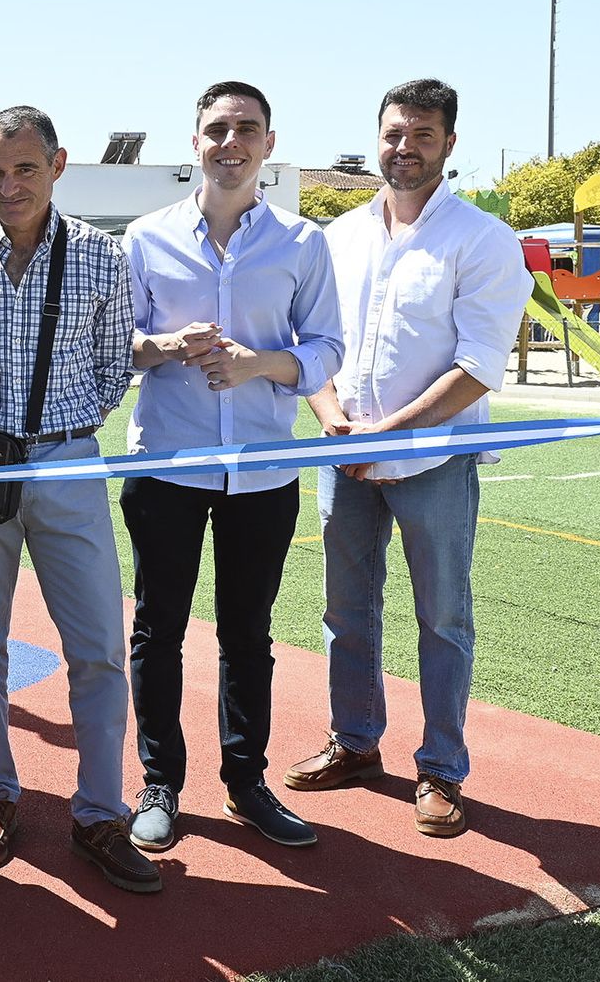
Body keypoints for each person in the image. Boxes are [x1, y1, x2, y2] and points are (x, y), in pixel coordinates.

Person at [284, 79, 532, 840]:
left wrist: (386, 431)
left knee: (443, 617)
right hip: (345, 459)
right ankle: (355, 742)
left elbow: (480, 364)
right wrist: (334, 421)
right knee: (344, 610)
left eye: (423, 134)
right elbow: (311, 343)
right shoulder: (337, 236)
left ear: (449, 143)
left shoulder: (483, 240)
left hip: (432, 465)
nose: (405, 147)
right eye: (394, 133)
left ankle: (441, 768)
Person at [0, 105, 158, 894]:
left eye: (24, 168)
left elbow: (112, 365)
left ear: (58, 166)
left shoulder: (99, 254)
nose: (8, 184)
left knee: (96, 646)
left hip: (68, 466)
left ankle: (98, 812)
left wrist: (70, 426)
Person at [119, 82, 343, 854]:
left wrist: (258, 365)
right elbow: (118, 348)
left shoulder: (304, 243)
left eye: (246, 128)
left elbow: (326, 352)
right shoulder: (145, 240)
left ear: (268, 144)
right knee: (158, 630)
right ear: (195, 143)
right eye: (216, 128)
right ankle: (160, 782)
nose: (230, 141)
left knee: (248, 633)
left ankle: (247, 781)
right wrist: (168, 346)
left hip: (263, 473)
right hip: (167, 469)